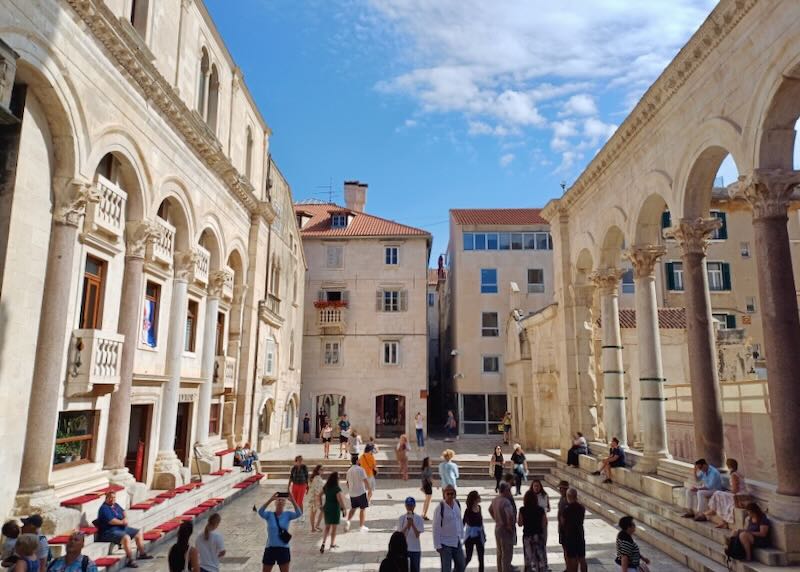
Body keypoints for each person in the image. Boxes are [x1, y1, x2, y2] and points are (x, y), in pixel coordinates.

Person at [95, 492, 152, 568]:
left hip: (121, 528)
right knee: (126, 537)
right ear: (106, 498)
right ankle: (130, 560)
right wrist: (122, 522)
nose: (113, 499)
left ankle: (142, 554)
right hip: (109, 531)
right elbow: (111, 521)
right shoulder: (104, 508)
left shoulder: (116, 505)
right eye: (110, 497)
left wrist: (125, 518)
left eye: (114, 497)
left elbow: (123, 511)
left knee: (138, 532)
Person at [258, 492, 302, 571]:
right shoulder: (269, 515)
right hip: (270, 548)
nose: (280, 501)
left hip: (283, 548)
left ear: (285, 503)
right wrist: (270, 499)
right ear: (275, 502)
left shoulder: (287, 515)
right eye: (278, 500)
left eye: (282, 500)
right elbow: (260, 512)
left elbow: (299, 513)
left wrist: (293, 501)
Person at [704, 458, 746, 528]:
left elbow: (735, 490)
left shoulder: (734, 475)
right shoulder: (736, 473)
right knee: (721, 496)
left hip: (738, 494)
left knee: (717, 493)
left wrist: (728, 492)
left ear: (729, 466)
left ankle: (713, 509)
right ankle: (722, 520)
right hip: (738, 493)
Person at [432, 485, 465, 572]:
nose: (450, 496)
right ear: (444, 494)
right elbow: (436, 527)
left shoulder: (457, 504)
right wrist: (437, 545)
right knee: (446, 568)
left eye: (452, 493)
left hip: (456, 541)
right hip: (445, 543)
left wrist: (461, 534)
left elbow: (459, 520)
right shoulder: (440, 508)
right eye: (448, 494)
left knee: (461, 565)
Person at [489, 482, 516, 572]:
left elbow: (490, 509)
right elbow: (509, 516)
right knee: (507, 554)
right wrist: (509, 526)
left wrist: (496, 518)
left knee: (499, 552)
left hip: (497, 528)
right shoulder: (506, 502)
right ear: (505, 490)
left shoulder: (495, 499)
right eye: (508, 490)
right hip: (505, 529)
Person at [519, 489, 548, 572]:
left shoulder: (522, 510)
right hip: (538, 535)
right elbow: (544, 523)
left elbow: (520, 523)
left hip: (527, 536)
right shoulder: (540, 510)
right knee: (540, 556)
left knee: (529, 557)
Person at [319, 472, 346, 554]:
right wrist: (344, 509)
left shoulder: (326, 487)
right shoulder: (337, 489)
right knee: (334, 528)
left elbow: (319, 495)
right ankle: (332, 544)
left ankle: (323, 543)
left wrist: (321, 505)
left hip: (327, 507)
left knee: (327, 527)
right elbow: (340, 501)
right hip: (334, 509)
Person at [561, 488, 587, 572]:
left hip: (570, 536)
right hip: (580, 534)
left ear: (568, 496)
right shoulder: (581, 507)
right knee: (581, 558)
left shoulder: (566, 509)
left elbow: (563, 522)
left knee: (572, 559)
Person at [396, 497, 424, 572]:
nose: (409, 507)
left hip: (415, 549)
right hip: (404, 549)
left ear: (414, 506)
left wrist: (412, 524)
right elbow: (400, 535)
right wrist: (407, 526)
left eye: (411, 505)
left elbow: (417, 535)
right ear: (405, 506)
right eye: (408, 505)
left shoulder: (419, 519)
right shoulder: (401, 518)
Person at [345, 456, 371, 533]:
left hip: (352, 493)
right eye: (359, 460)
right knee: (362, 509)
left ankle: (348, 521)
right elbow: (365, 480)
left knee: (353, 508)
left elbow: (347, 483)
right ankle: (361, 526)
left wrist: (350, 490)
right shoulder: (360, 469)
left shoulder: (349, 471)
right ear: (356, 461)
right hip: (360, 492)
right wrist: (369, 489)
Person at [462, 490, 485, 572]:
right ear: (475, 499)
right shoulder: (468, 510)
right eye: (478, 496)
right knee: (468, 557)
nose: (480, 497)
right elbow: (463, 523)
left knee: (481, 558)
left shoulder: (479, 508)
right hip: (470, 536)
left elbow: (481, 522)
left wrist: (484, 535)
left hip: (479, 535)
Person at [306, 465, 325, 532]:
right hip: (315, 498)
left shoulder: (315, 477)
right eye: (321, 469)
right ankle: (314, 527)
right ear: (318, 470)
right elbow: (317, 490)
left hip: (313, 497)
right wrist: (319, 499)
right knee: (314, 512)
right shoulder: (317, 478)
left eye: (323, 469)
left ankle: (314, 527)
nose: (322, 471)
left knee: (314, 512)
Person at [556, 480, 570, 558]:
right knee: (564, 548)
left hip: (566, 528)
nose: (560, 490)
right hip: (562, 527)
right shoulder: (562, 498)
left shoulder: (568, 500)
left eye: (562, 488)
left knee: (568, 549)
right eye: (560, 488)